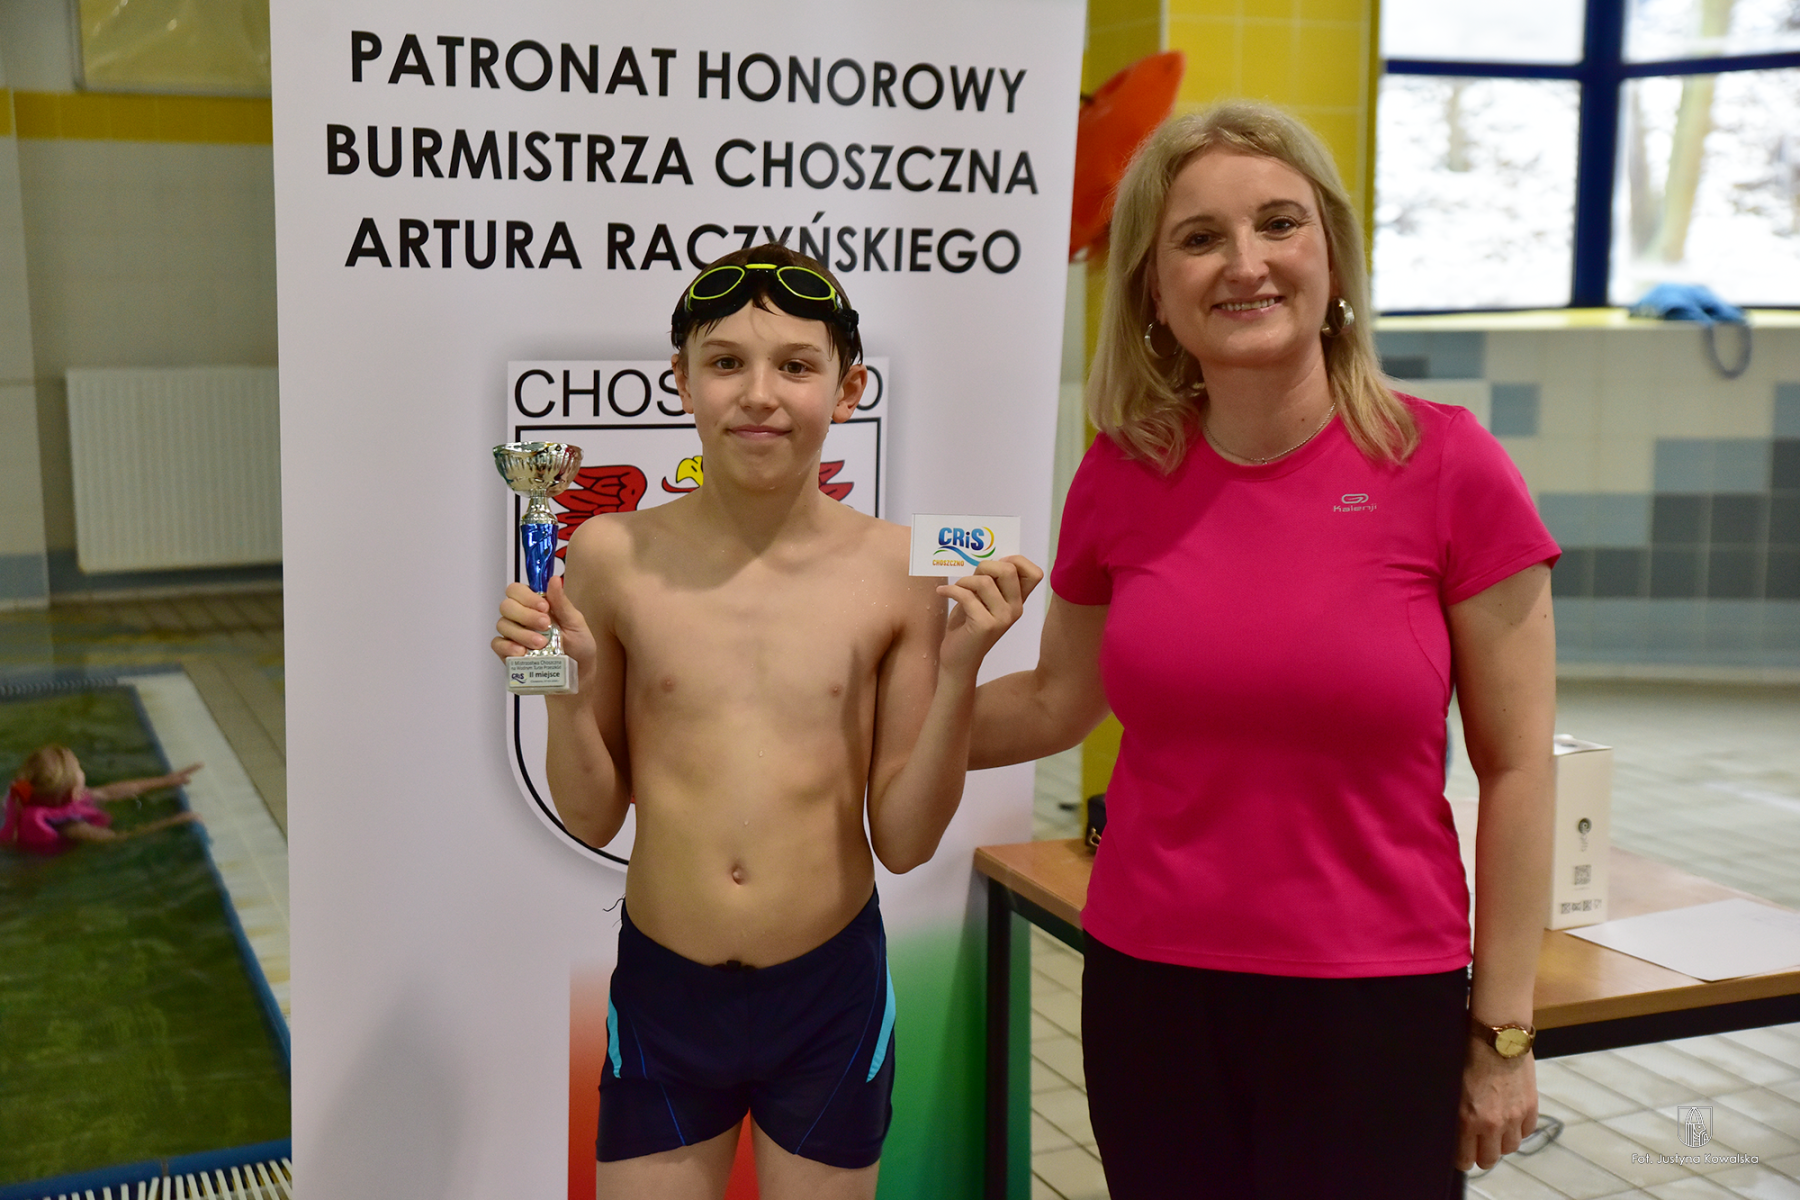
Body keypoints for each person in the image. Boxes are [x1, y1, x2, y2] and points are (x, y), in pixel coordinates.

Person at [968, 101, 1559, 1198]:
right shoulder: (1124, 470)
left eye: (1279, 223)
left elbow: (1520, 766)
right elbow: (1053, 702)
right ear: (1154, 290)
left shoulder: (1447, 466)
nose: (1246, 264)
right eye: (1199, 238)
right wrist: (845, 717)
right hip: (1152, 994)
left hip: (1377, 999)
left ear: (1331, 253)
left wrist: (1503, 1034)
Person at [492, 242, 1041, 1200]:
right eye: (726, 362)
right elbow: (590, 814)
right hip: (665, 993)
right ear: (681, 382)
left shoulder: (899, 573)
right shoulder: (611, 556)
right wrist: (565, 691)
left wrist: (959, 673)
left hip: (828, 996)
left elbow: (905, 841)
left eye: (794, 365)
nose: (759, 394)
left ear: (848, 389)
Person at [2, 743, 203, 851]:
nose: (82, 770)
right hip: (28, 867)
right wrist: (173, 822)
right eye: (79, 768)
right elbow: (119, 838)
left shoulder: (34, 792)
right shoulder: (73, 827)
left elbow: (110, 792)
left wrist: (166, 781)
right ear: (74, 793)